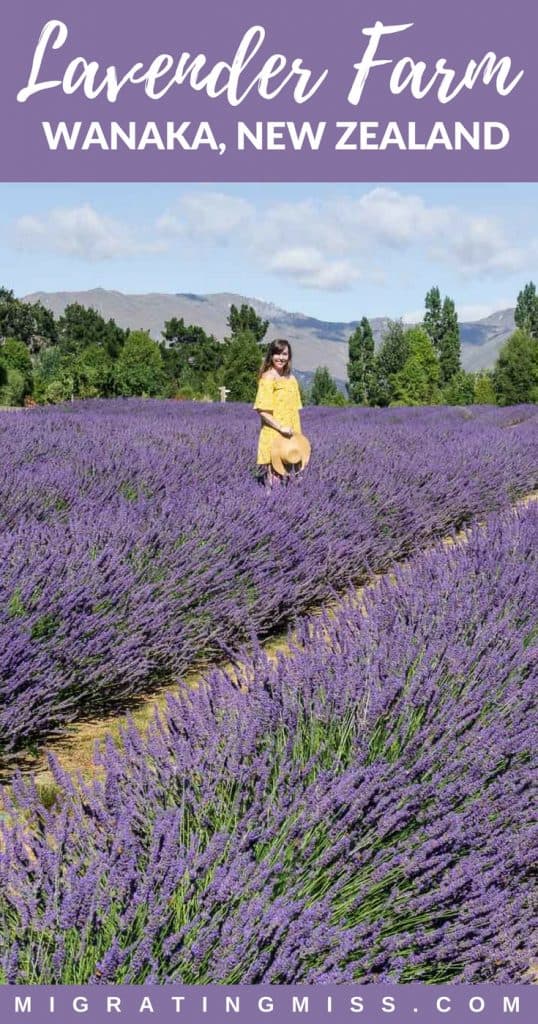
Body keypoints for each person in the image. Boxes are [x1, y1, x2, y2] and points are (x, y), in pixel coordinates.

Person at [253, 338, 304, 489]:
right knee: (275, 482)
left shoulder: (292, 379)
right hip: (274, 434)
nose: (281, 358)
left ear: (289, 357)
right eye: (277, 354)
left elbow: (295, 412)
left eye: (285, 354)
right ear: (271, 355)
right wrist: (281, 427)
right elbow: (262, 411)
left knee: (292, 480)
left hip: (291, 436)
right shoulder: (267, 378)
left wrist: (297, 437)